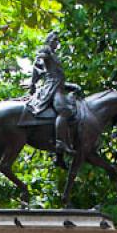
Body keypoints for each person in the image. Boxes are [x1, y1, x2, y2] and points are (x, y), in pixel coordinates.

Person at [26, 32, 80, 163]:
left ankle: (59, 157)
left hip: (59, 86)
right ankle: (60, 143)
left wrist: (72, 86)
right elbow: (37, 66)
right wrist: (33, 83)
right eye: (55, 39)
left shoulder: (55, 55)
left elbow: (58, 76)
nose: (57, 42)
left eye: (57, 40)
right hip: (52, 88)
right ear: (49, 40)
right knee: (64, 110)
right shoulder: (46, 51)